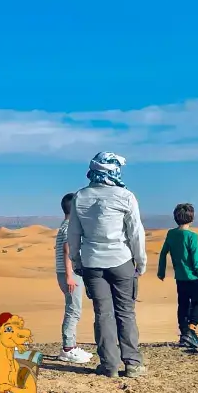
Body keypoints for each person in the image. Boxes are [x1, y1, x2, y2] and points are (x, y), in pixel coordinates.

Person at [67, 151, 147, 379]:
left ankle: (109, 365)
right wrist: (140, 262)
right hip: (121, 261)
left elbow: (74, 233)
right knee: (126, 313)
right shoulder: (126, 196)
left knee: (103, 314)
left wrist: (76, 260)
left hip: (92, 262)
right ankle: (132, 364)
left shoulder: (80, 197)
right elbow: (136, 233)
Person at [156, 203, 198, 350]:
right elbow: (196, 259)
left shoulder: (171, 234)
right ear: (192, 218)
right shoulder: (192, 236)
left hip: (180, 278)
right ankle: (191, 330)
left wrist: (161, 271)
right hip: (193, 278)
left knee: (183, 304)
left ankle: (184, 334)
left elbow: (163, 252)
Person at [55, 193, 92, 364]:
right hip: (70, 274)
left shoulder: (64, 225)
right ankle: (68, 348)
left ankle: (71, 346)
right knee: (73, 310)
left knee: (73, 308)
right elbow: (67, 250)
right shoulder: (70, 226)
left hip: (67, 273)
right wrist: (70, 276)